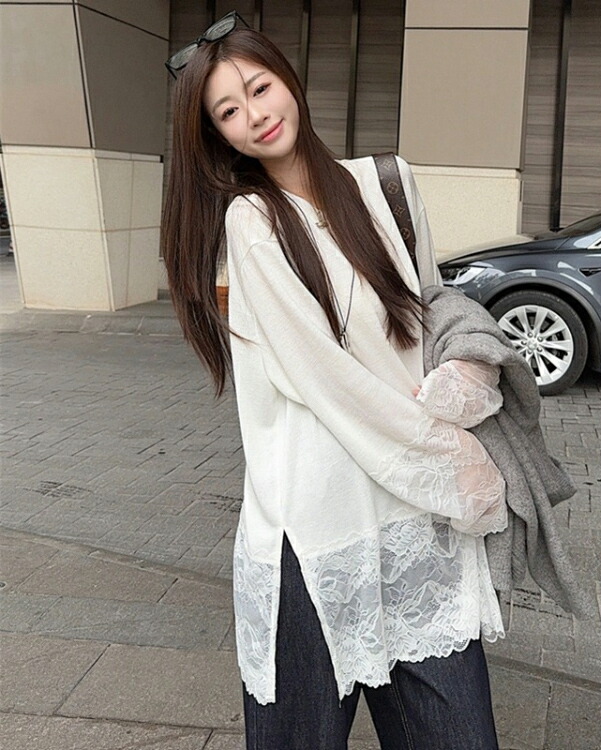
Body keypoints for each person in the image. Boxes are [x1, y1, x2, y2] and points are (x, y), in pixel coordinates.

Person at [161, 11, 510, 750]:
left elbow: (428, 309)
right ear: (218, 135)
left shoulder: (387, 185)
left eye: (259, 88)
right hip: (318, 532)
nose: (255, 115)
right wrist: (453, 463)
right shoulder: (252, 223)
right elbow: (328, 383)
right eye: (228, 111)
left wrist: (469, 367)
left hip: (413, 525)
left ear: (288, 79)